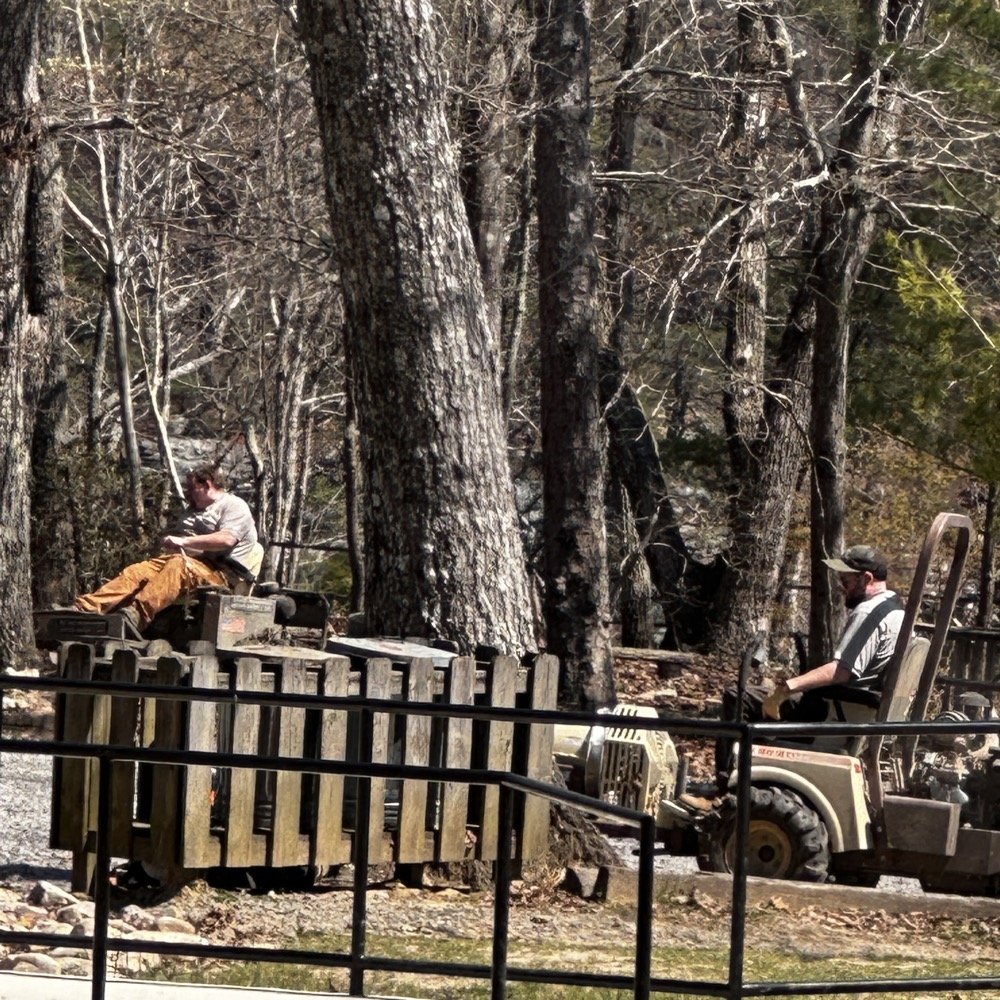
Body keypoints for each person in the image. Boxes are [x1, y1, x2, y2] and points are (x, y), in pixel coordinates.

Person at [713, 545, 905, 781]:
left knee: (737, 696)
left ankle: (724, 781)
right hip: (856, 706)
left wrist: (787, 688)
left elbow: (842, 671)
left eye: (846, 581)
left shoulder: (867, 613)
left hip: (836, 711)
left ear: (867, 579)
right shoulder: (897, 608)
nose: (841, 586)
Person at [74, 465, 259, 632]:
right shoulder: (193, 511)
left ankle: (135, 616)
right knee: (137, 571)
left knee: (178, 567)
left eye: (192, 488)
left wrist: (183, 542)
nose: (188, 493)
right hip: (186, 563)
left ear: (207, 484)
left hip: (220, 573)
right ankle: (85, 608)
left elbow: (226, 539)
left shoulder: (234, 506)